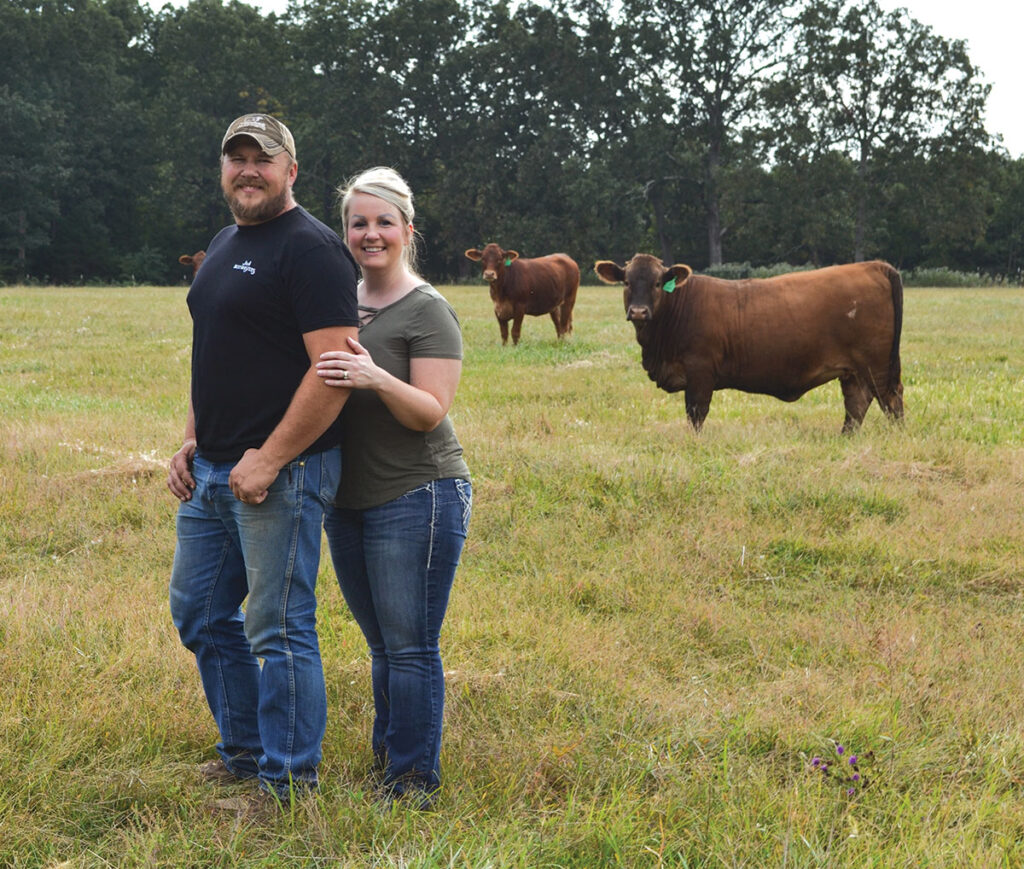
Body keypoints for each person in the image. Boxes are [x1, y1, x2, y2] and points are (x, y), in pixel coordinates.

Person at [166, 113, 359, 810]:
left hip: (284, 472)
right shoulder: (223, 243)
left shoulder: (311, 250)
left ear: (291, 171)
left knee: (277, 627)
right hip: (213, 469)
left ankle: (287, 782)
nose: (248, 170)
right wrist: (193, 436)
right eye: (236, 158)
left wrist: (270, 458)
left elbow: (334, 371)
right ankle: (245, 753)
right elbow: (214, 352)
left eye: (263, 159)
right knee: (200, 612)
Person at [316, 166, 472, 808]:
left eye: (384, 222)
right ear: (345, 231)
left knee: (410, 646)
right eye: (359, 222)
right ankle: (390, 759)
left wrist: (374, 376)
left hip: (419, 494)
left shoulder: (427, 310)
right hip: (346, 500)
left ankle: (412, 782)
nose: (371, 233)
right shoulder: (336, 300)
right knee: (380, 643)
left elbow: (429, 411)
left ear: (408, 231)